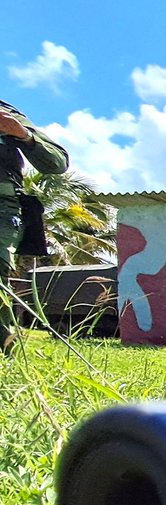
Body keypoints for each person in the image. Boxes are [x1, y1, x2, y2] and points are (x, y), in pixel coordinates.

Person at [1, 100, 69, 354]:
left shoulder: (5, 113)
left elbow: (57, 162)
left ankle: (8, 354)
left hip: (3, 206)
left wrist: (22, 134)